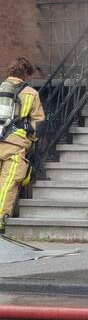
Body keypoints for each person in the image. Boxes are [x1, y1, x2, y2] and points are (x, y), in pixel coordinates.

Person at [0, 58, 46, 234]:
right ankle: (0, 220)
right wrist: (32, 139)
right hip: (15, 145)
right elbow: (39, 123)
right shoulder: (30, 93)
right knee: (7, 184)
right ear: (26, 74)